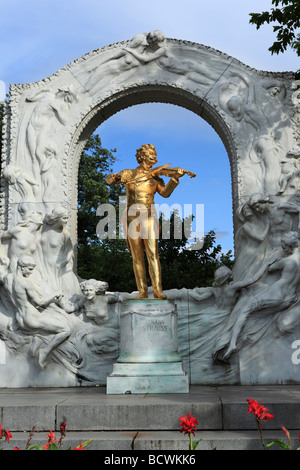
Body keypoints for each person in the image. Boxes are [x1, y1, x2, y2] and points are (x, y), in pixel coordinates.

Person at [105, 143, 185, 299]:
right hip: (131, 217)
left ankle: (157, 291)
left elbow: (165, 194)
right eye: (151, 153)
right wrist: (115, 177)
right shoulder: (128, 173)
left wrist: (174, 178)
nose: (154, 156)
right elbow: (108, 181)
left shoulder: (156, 177)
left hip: (148, 216)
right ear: (142, 156)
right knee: (137, 257)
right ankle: (142, 292)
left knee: (153, 254)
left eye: (154, 153)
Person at [12, 255, 70, 369]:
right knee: (65, 329)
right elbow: (40, 302)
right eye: (30, 268)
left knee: (43, 330)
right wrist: (55, 294)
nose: (31, 272)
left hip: (20, 318)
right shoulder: (25, 282)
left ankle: (35, 346)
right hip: (31, 317)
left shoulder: (9, 279)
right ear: (21, 267)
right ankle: (45, 351)